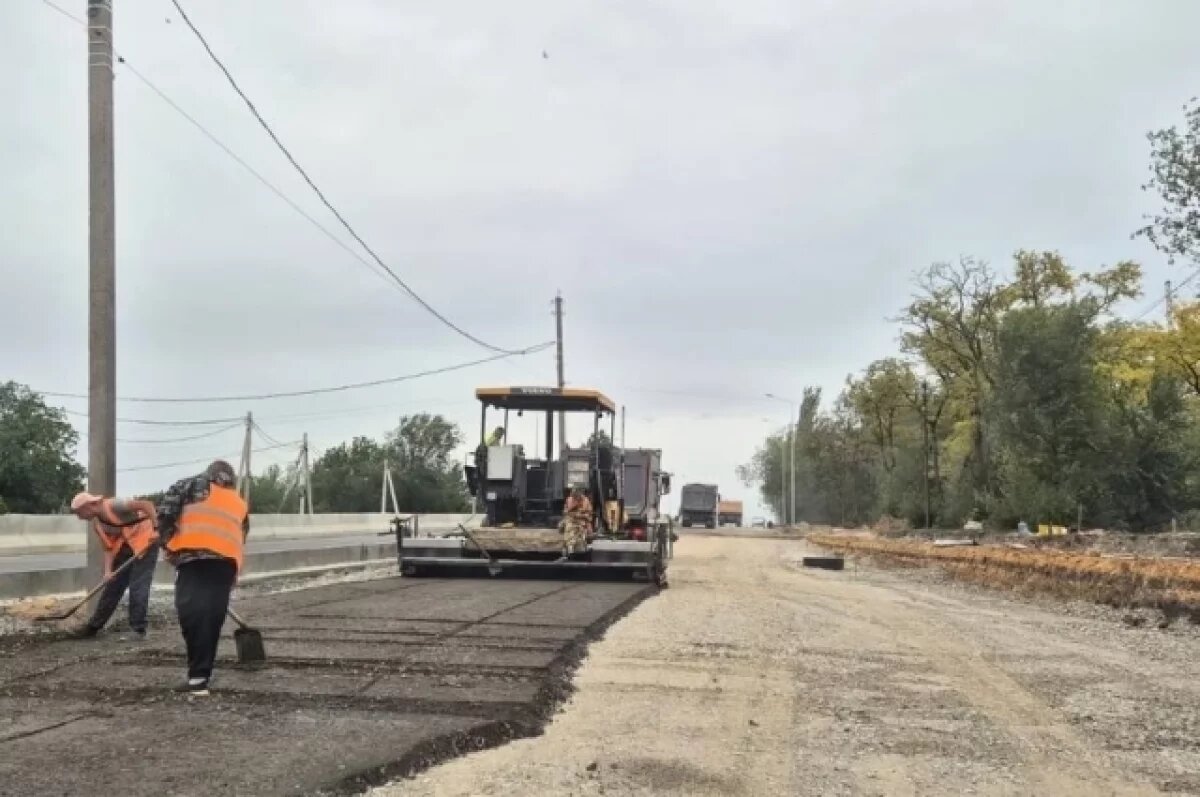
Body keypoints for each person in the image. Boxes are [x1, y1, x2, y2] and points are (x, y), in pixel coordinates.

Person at [157, 460, 249, 696]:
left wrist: (166, 544)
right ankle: (200, 677)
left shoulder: (191, 485)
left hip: (195, 560)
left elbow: (166, 513)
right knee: (210, 619)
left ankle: (198, 676)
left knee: (191, 615)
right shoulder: (239, 502)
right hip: (224, 565)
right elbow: (241, 535)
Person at [68, 492, 160, 640]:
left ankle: (138, 630)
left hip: (146, 541)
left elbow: (147, 505)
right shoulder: (98, 525)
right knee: (112, 586)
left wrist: (156, 529)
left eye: (80, 513)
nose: (79, 517)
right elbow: (108, 548)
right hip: (126, 546)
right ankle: (93, 627)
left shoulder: (116, 505)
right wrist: (107, 572)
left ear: (90, 506)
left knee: (138, 586)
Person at [558, 485, 593, 559]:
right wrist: (569, 513)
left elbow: (588, 514)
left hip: (581, 521)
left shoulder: (585, 500)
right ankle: (569, 548)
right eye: (573, 494)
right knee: (568, 528)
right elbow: (566, 511)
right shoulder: (570, 499)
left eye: (576, 495)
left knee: (585, 531)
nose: (574, 496)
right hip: (571, 520)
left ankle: (583, 546)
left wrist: (581, 515)